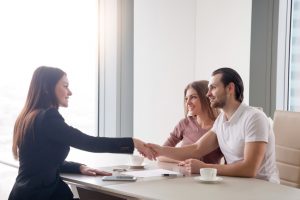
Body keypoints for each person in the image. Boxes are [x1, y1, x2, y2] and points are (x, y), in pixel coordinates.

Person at [9, 66, 156, 200]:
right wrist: (133, 142)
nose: (70, 92)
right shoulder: (48, 118)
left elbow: (43, 162)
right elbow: (88, 142)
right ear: (47, 88)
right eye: (65, 86)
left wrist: (79, 167)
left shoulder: (28, 117)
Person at [148, 67, 279, 183]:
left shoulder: (254, 118)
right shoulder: (221, 120)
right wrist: (159, 150)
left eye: (213, 88)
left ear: (230, 88)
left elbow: (249, 169)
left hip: (262, 188)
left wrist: (203, 168)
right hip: (237, 185)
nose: (208, 94)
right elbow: (197, 148)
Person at [159, 80, 223, 164]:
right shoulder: (184, 124)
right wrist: (184, 161)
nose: (188, 103)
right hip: (182, 175)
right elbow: (160, 155)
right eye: (186, 99)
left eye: (193, 97)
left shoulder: (221, 127)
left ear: (207, 97)